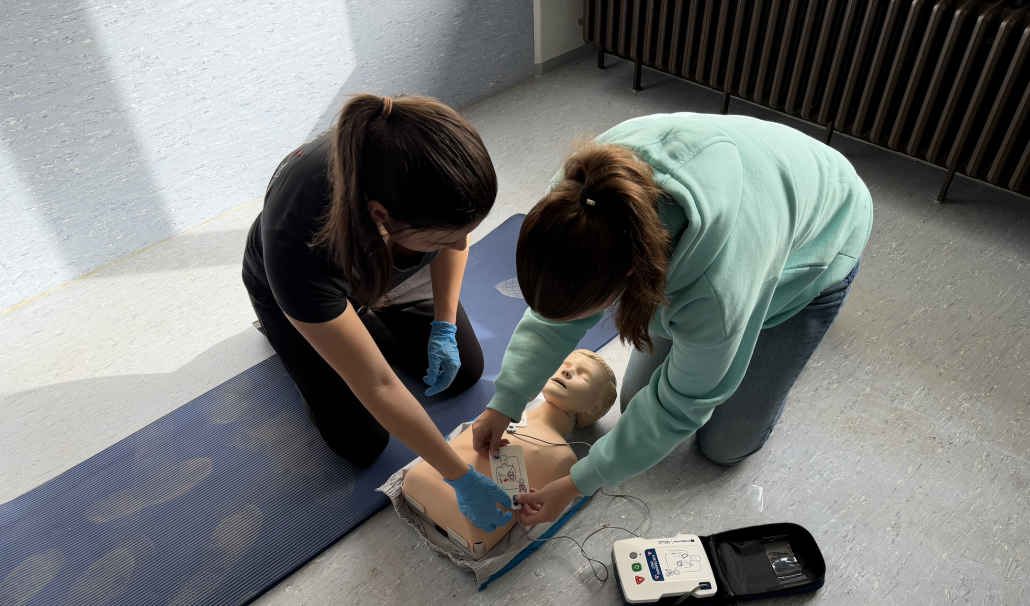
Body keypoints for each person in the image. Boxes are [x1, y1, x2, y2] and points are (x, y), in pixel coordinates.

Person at [472, 112, 873, 525]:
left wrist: (579, 482)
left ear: (631, 273)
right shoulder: (573, 199)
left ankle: (791, 327)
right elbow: (553, 316)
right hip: (755, 175)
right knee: (635, 403)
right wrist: (505, 403)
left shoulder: (718, 292)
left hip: (824, 230)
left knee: (724, 446)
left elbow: (679, 407)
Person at [242, 94, 511, 531]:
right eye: (441, 238)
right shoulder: (297, 245)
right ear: (381, 216)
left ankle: (359, 321)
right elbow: (379, 384)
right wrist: (459, 477)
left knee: (465, 370)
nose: (459, 243)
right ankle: (311, 328)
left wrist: (444, 324)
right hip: (300, 287)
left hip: (389, 263)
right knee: (361, 442)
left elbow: (455, 239)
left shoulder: (419, 163)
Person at [402, 350, 617, 555]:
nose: (566, 371)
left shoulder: (564, 456)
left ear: (595, 408)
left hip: (463, 519)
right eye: (564, 365)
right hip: (426, 482)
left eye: (583, 375)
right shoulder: (501, 415)